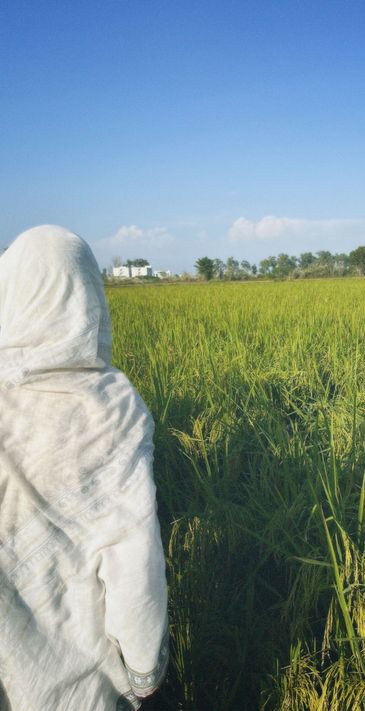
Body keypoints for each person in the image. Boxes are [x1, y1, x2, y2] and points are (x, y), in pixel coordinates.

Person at [0, 226, 169, 711]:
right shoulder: (113, 409)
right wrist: (144, 674)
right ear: (88, 299)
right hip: (81, 685)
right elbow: (133, 562)